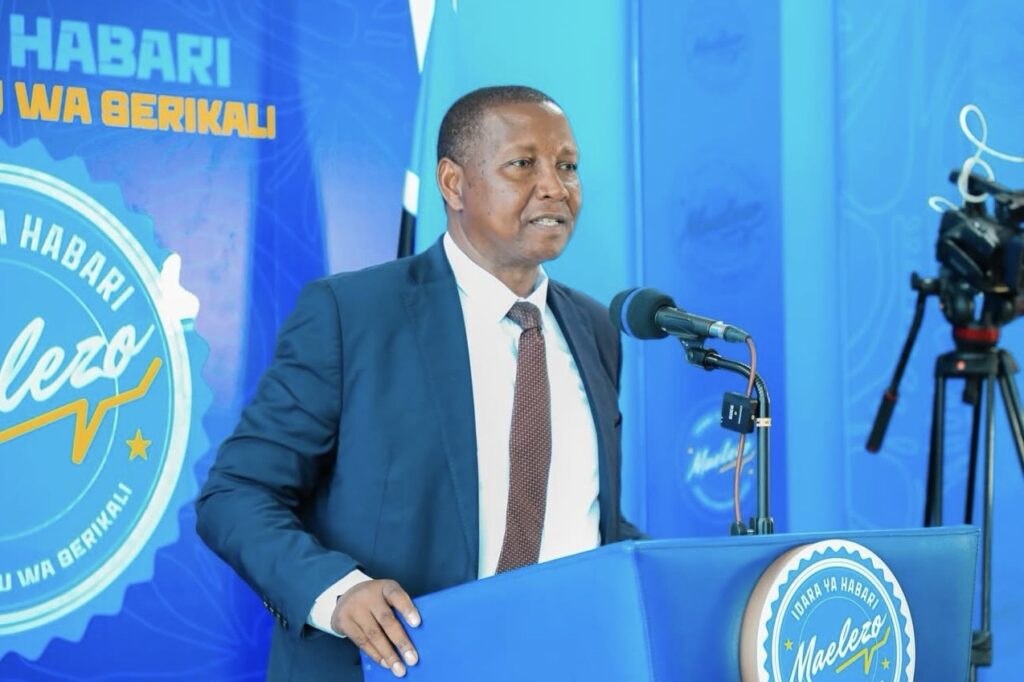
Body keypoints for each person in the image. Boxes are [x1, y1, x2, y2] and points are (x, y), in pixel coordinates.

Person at [196, 85, 643, 682]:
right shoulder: (352, 314)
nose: (554, 187)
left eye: (567, 166)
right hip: (393, 667)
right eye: (522, 164)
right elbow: (237, 494)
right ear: (453, 184)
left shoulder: (593, 327)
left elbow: (582, 516)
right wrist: (338, 592)